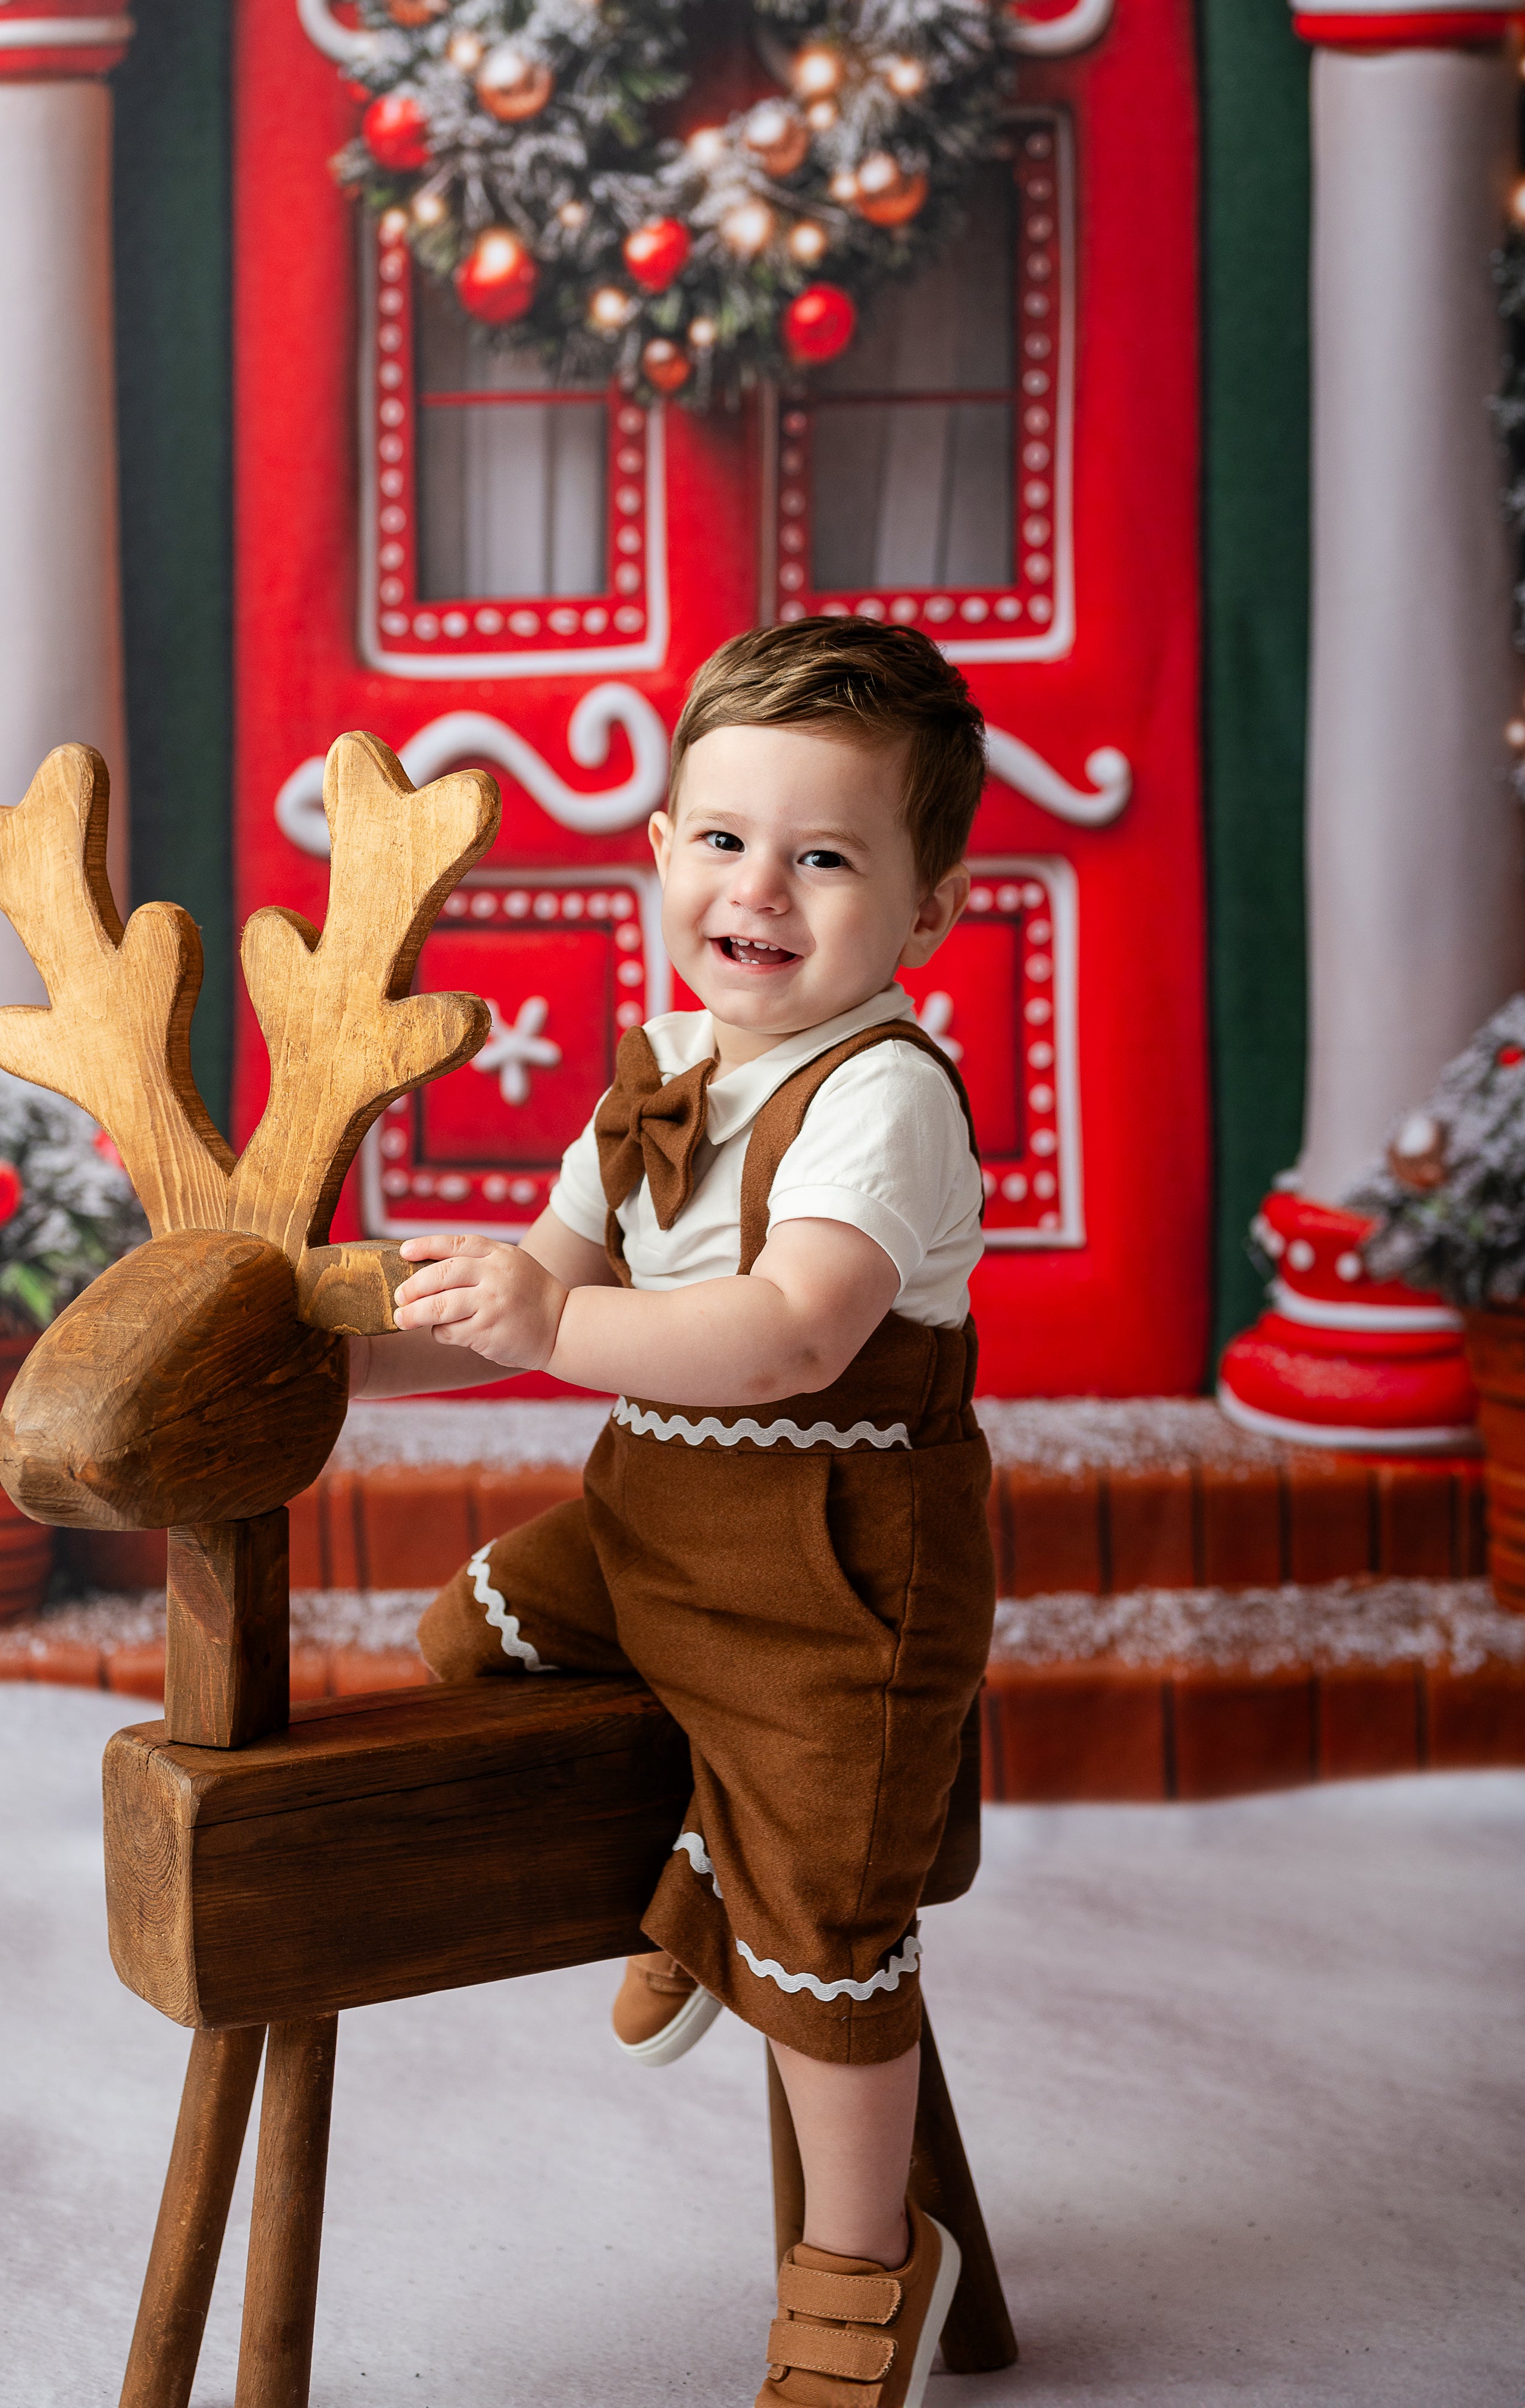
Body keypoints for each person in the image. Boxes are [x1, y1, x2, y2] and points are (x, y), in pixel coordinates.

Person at [349, 616, 996, 2408]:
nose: (759, 891)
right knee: (469, 1633)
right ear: (657, 851)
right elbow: (531, 1284)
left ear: (924, 909)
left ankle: (867, 2265)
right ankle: (686, 1859)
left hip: (835, 1572)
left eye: (826, 856)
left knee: (829, 1940)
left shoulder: (881, 1097)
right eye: (723, 840)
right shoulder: (663, 1073)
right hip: (649, 1532)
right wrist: (335, 1365)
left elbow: (793, 1336)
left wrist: (559, 1324)